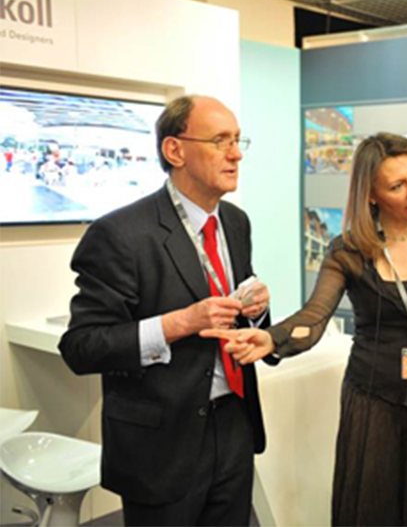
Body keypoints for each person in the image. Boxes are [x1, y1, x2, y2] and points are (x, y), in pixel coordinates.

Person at [203, 132, 407, 526]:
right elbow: (314, 317)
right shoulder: (348, 250)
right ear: (371, 195)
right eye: (397, 185)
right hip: (376, 403)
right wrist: (271, 338)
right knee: (377, 510)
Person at [59, 95, 271, 526]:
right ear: (175, 150)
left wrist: (257, 312)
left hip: (234, 424)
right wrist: (179, 323)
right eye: (220, 141)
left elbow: (233, 304)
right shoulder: (120, 234)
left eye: (238, 140)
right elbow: (81, 347)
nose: (236, 154)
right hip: (161, 444)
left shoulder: (235, 222)